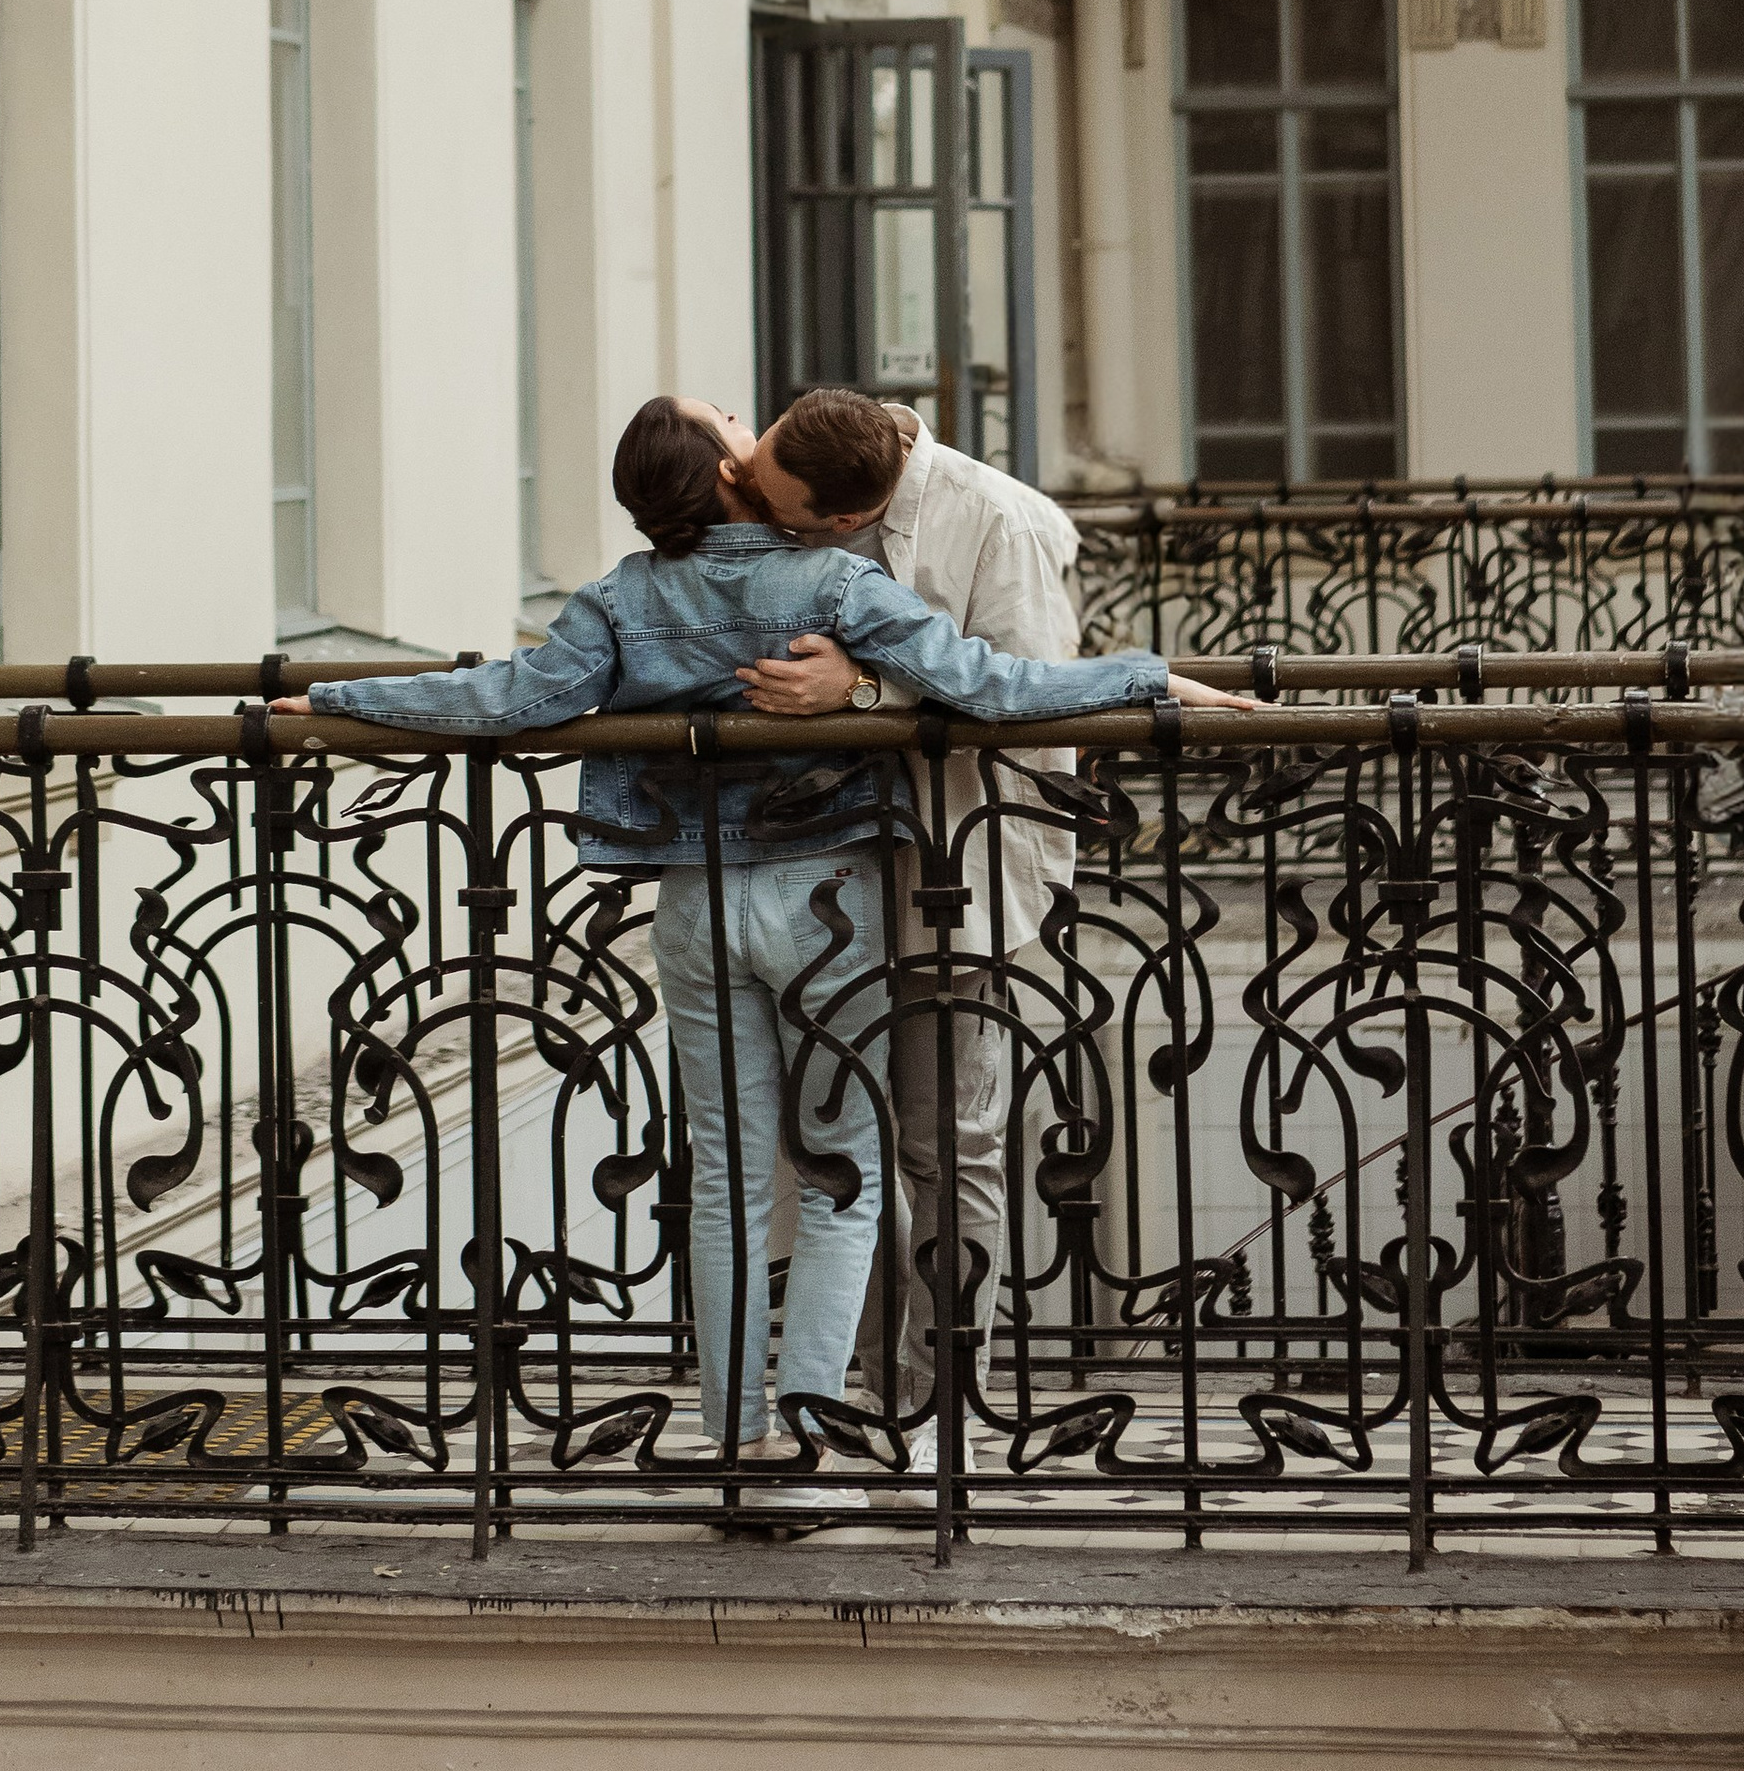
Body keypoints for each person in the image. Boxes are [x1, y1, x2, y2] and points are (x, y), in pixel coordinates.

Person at [286, 394, 1238, 1507]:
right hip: (828, 904)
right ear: (732, 474)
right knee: (842, 1177)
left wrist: (331, 696)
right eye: (728, 425)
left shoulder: (620, 598)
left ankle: (735, 1444)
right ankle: (808, 1443)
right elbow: (996, 686)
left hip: (694, 901)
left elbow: (502, 699)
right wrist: (1145, 678)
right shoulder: (834, 583)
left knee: (729, 1182)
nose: (744, 423)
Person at [727, 385, 1105, 1469]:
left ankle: (940, 1412)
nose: (758, 511)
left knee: (947, 1146)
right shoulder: (813, 471)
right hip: (817, 876)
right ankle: (878, 1391)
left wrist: (861, 695)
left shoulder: (997, 523)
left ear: (845, 518)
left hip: (954, 871)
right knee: (837, 1146)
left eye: (779, 512)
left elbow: (1036, 698)